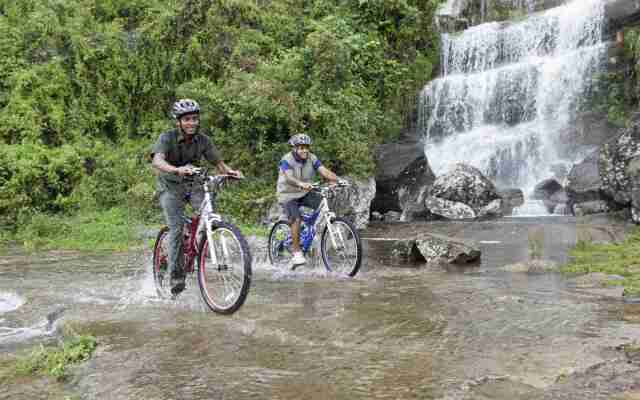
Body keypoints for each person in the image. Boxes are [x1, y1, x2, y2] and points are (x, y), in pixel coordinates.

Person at [151, 99, 242, 295]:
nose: (191, 123)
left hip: (194, 185)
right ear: (179, 121)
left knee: (208, 213)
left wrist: (230, 172)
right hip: (170, 187)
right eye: (187, 119)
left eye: (194, 119)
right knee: (176, 229)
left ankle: (198, 243)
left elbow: (218, 163)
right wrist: (176, 169)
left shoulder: (203, 140)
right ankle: (176, 276)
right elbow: (157, 160)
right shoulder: (167, 138)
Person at [276, 133, 343, 267]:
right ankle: (296, 253)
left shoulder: (312, 158)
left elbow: (324, 171)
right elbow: (289, 177)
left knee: (322, 203)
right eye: (301, 147)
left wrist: (338, 180)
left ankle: (308, 233)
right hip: (288, 195)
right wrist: (301, 183)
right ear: (294, 148)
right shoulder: (286, 160)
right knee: (296, 219)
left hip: (305, 192)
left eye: (306, 147)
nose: (304, 150)